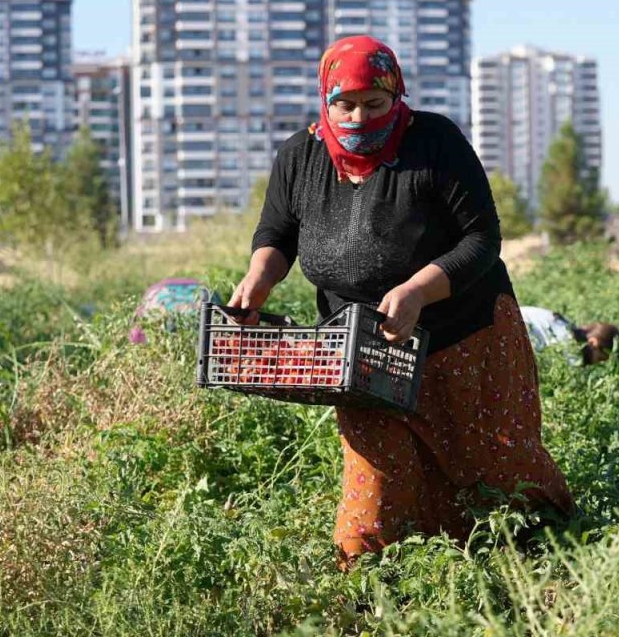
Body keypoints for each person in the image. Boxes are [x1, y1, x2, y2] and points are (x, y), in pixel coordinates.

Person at [227, 36, 574, 566]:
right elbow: (278, 233)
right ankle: (374, 598)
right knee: (375, 492)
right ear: (326, 99)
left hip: (463, 337)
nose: (359, 117)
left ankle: (550, 562)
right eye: (345, 104)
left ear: (397, 97)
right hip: (363, 355)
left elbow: (481, 240)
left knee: (495, 467)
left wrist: (416, 290)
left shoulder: (435, 142)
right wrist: (259, 278)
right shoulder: (300, 155)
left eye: (374, 104)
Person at [520, 306, 619, 366]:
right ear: (594, 342)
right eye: (600, 359)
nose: (598, 364)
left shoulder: (566, 326)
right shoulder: (569, 345)